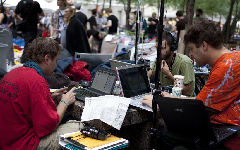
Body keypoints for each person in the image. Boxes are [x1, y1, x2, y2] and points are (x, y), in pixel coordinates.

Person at [0, 37, 82, 150]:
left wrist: (51, 98)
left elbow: (26, 105)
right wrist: (64, 102)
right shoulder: (36, 80)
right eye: (56, 60)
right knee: (80, 127)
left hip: (7, 141)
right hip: (24, 144)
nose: (56, 65)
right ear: (47, 58)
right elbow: (47, 125)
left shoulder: (13, 73)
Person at [148, 31, 195, 97]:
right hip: (166, 97)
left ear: (172, 48)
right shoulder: (159, 59)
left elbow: (186, 92)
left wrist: (169, 74)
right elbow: (149, 76)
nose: (159, 52)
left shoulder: (184, 62)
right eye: (157, 48)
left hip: (183, 100)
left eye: (162, 48)